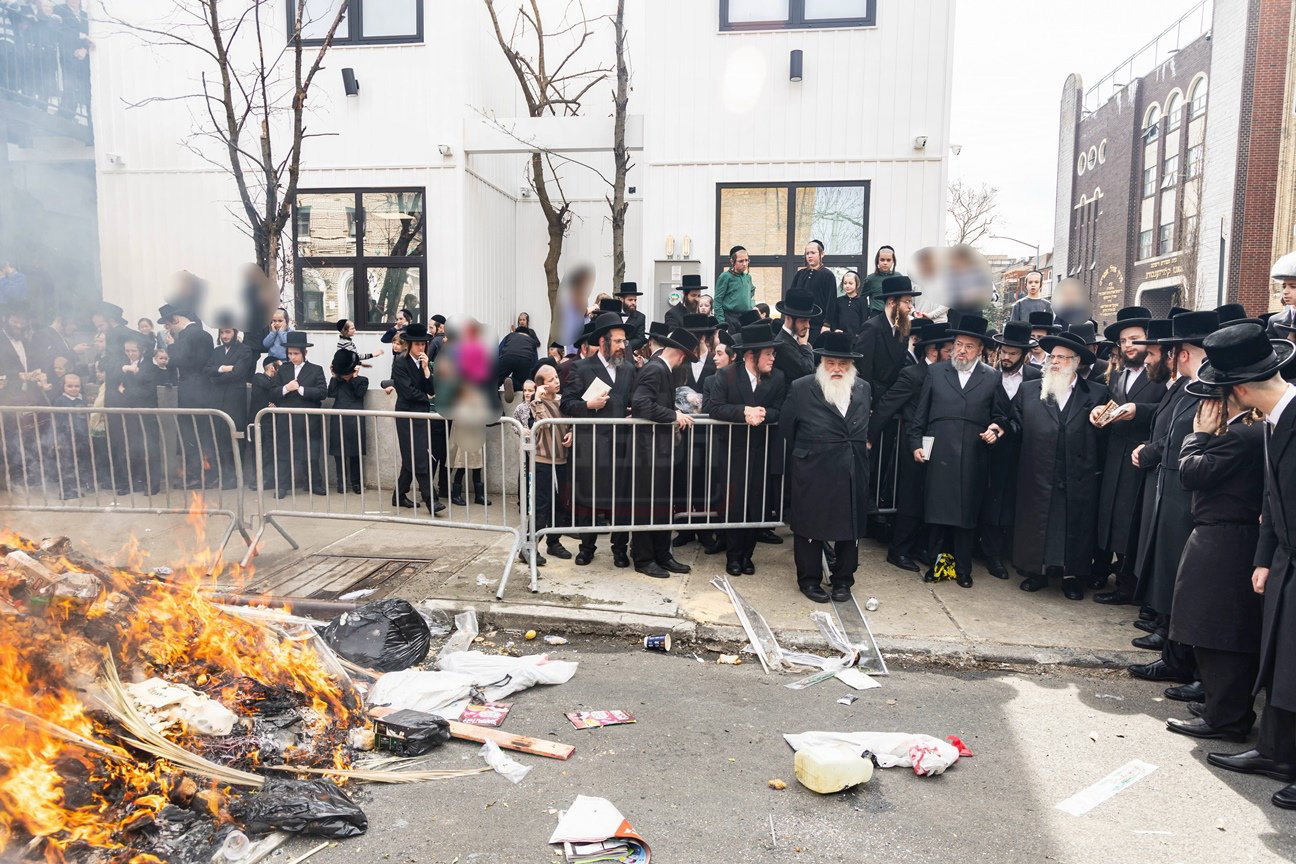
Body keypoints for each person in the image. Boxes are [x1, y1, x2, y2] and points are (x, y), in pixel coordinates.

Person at [1187, 325, 1296, 809]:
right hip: (1283, 560)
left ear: (1238, 389)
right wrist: (1263, 557)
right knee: (1282, 661)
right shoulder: (1274, 421)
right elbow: (1273, 502)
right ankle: (1277, 751)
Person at [1163, 378, 1265, 743]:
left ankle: (1227, 718)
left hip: (1226, 539)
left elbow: (1191, 474)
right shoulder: (1248, 431)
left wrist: (1198, 437)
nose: (1203, 410)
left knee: (1219, 629)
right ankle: (1220, 706)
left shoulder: (1238, 435)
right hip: (1225, 534)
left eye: (1209, 401)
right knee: (1211, 623)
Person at [1128, 311, 1219, 685]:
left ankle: (1179, 656)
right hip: (1168, 486)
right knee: (1166, 571)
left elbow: (1192, 439)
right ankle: (1170, 644)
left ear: (1182, 353)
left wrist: (1151, 451)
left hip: (1187, 493)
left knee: (1180, 576)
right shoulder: (1184, 386)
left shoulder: (1209, 388)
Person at [909, 314, 1012, 588]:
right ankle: (939, 567)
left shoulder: (991, 378)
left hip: (973, 456)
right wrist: (916, 443)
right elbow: (920, 415)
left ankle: (963, 569)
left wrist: (995, 429)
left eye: (968, 346)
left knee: (965, 518)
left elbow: (1003, 417)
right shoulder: (935, 372)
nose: (961, 350)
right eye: (958, 344)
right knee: (938, 516)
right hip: (939, 451)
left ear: (980, 350)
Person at [1012, 331, 1110, 600]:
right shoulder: (1030, 390)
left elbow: (1106, 437)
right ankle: (1038, 572)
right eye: (1052, 357)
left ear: (1076, 362)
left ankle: (1071, 576)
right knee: (1039, 522)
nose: (1054, 362)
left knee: (1072, 526)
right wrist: (1000, 427)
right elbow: (1014, 424)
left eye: (1062, 358)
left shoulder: (1097, 393)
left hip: (1078, 474)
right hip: (1038, 471)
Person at [782, 331, 872, 602]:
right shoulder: (801, 387)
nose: (836, 369)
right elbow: (787, 429)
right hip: (813, 468)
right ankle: (809, 580)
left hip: (852, 468)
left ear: (851, 365)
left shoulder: (863, 388)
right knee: (810, 526)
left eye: (842, 364)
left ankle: (843, 579)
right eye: (831, 362)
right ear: (822, 362)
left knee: (850, 528)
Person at [1091, 308, 1165, 604]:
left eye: (1135, 339)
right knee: (1111, 518)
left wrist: (1138, 412)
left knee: (1131, 522)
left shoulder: (1161, 375)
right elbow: (1110, 403)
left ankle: (1128, 585)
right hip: (1114, 455)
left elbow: (1163, 412)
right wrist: (1098, 412)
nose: (1129, 346)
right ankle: (1110, 575)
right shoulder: (1117, 373)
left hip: (1140, 457)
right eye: (1123, 341)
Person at [704, 320, 787, 577]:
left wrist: (763, 413)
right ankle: (733, 556)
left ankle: (747, 555)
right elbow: (714, 407)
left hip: (762, 453)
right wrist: (744, 412)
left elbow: (782, 410)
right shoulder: (726, 375)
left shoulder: (778, 378)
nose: (773, 358)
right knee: (734, 506)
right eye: (769, 354)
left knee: (756, 506)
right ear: (752, 355)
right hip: (732, 454)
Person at [874, 322, 952, 572]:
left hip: (938, 447)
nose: (953, 354)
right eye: (948, 350)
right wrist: (869, 435)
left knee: (930, 499)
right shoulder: (913, 375)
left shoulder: (948, 375)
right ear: (932, 351)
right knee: (911, 499)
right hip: (914, 445)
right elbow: (887, 404)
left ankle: (921, 547)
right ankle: (899, 551)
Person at [560, 312, 635, 567]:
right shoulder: (581, 368)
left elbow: (632, 401)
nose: (622, 346)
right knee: (588, 499)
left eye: (624, 341)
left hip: (622, 447)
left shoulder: (629, 369)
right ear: (603, 342)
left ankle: (619, 549)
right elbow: (567, 404)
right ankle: (587, 547)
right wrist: (588, 405)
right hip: (591, 447)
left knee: (621, 501)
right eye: (617, 341)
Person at [628, 327, 699, 578]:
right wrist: (673, 415)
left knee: (660, 504)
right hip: (648, 452)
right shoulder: (655, 369)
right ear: (680, 355)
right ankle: (644, 558)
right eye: (686, 358)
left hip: (659, 450)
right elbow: (641, 404)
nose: (685, 363)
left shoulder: (660, 369)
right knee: (648, 504)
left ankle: (662, 554)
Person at [978, 320, 1042, 580]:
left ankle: (1012, 552)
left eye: (1012, 353)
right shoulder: (989, 376)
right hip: (991, 451)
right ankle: (992, 555)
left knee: (1018, 502)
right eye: (1003, 352)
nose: (1006, 357)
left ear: (1025, 354)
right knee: (994, 502)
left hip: (1024, 451)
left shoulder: (1037, 378)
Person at [158, 303, 217, 490]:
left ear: (175, 319)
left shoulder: (190, 335)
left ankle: (200, 475)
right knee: (196, 434)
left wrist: (172, 347)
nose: (169, 329)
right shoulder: (200, 334)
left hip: (194, 392)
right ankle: (199, 474)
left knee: (193, 434)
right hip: (197, 391)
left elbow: (179, 361)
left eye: (169, 325)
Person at [391, 322, 443, 513]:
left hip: (421, 413)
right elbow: (407, 391)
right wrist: (426, 397)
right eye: (418, 344)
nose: (421, 347)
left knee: (411, 457)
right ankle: (431, 500)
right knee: (419, 455)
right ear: (409, 344)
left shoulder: (423, 362)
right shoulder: (400, 362)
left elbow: (432, 389)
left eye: (423, 344)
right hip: (406, 414)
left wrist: (427, 371)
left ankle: (399, 495)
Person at [271, 331, 327, 498]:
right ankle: (282, 486)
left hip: (307, 419)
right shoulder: (283, 370)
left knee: (311, 454)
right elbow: (272, 392)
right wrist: (286, 388)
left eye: (296, 353)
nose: (292, 357)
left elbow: (322, 392)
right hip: (286, 419)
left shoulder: (316, 370)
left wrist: (301, 389)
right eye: (290, 353)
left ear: (304, 353)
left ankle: (314, 483)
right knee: (284, 454)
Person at [851, 274, 920, 406]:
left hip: (895, 397)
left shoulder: (902, 328)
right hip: (875, 399)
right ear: (892, 302)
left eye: (911, 302)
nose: (910, 307)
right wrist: (868, 400)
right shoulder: (872, 328)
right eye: (907, 302)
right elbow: (863, 368)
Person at [205, 313, 257, 487]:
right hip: (217, 399)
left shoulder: (245, 350)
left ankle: (236, 476)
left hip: (235, 400)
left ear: (235, 332)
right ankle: (224, 475)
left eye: (227, 332)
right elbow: (207, 370)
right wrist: (223, 368)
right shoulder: (216, 351)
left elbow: (239, 373)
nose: (225, 336)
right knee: (219, 439)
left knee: (235, 437)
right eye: (222, 333)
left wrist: (217, 375)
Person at [104, 337, 161, 495]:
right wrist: (124, 369)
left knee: (149, 448)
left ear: (141, 350)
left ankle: (152, 484)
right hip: (128, 413)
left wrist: (126, 391)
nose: (130, 354)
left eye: (133, 350)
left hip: (146, 413)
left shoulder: (150, 366)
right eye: (127, 350)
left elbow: (147, 391)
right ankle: (131, 482)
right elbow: (110, 376)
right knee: (129, 447)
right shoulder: (122, 364)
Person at [531, 364, 572, 562]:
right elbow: (544, 424)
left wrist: (572, 432)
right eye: (551, 380)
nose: (556, 381)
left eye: (556, 377)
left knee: (560, 504)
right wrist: (538, 399)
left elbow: (572, 420)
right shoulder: (535, 404)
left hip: (562, 458)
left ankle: (553, 542)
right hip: (543, 460)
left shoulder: (564, 401)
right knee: (542, 505)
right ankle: (530, 546)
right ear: (541, 385)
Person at [327, 348, 369, 494]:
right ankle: (341, 482)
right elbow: (330, 393)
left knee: (355, 453)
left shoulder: (362, 380)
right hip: (338, 419)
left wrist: (354, 377)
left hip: (354, 420)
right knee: (339, 453)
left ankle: (356, 483)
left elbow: (359, 393)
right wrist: (334, 376)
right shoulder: (337, 382)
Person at [46, 372, 90, 499]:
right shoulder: (60, 401)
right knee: (67, 464)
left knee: (79, 462)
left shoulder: (83, 399)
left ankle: (76, 486)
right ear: (63, 387)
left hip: (80, 437)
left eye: (77, 386)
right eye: (69, 386)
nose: (73, 389)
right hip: (65, 437)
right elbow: (56, 421)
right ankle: (66, 491)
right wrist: (56, 439)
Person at [772, 287, 818, 388]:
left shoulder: (797, 338)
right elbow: (807, 371)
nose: (808, 326)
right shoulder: (782, 343)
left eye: (808, 321)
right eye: (803, 321)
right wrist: (805, 346)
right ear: (788, 318)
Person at [788, 240, 836, 335]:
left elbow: (831, 301)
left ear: (822, 254)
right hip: (799, 323)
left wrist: (827, 324)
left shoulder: (828, 275)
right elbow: (791, 298)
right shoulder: (800, 274)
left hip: (818, 326)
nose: (809, 256)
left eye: (813, 253)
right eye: (807, 253)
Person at [248, 356, 281, 489]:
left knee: (268, 452)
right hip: (258, 422)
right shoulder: (258, 377)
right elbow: (270, 387)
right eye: (280, 367)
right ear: (272, 368)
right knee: (258, 453)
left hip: (269, 422)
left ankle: (268, 480)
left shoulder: (275, 383)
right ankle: (259, 480)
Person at [714, 246, 755, 329]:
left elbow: (751, 293)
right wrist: (722, 322)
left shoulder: (748, 277)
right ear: (732, 261)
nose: (744, 264)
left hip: (745, 318)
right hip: (730, 318)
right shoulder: (725, 276)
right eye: (741, 261)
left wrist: (751, 305)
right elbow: (717, 301)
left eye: (746, 260)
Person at [825, 270, 870, 340]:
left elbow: (864, 319)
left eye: (850, 283)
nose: (847, 286)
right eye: (845, 283)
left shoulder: (862, 301)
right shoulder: (839, 301)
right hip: (840, 336)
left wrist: (861, 334)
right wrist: (835, 329)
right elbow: (834, 318)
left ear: (857, 284)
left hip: (856, 338)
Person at [497, 325, 540, 392]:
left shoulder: (510, 335)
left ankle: (495, 399)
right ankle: (512, 382)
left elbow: (499, 350)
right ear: (528, 335)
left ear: (516, 332)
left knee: (494, 383)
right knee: (520, 384)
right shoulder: (532, 341)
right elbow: (535, 360)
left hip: (508, 357)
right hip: (525, 360)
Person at [861, 245, 899, 315]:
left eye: (888, 260)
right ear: (877, 261)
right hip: (876, 315)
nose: (885, 263)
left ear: (893, 261)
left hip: (894, 315)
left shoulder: (898, 277)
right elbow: (861, 299)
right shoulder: (870, 279)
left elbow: (903, 298)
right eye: (882, 260)